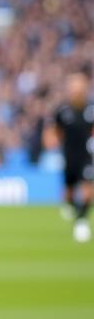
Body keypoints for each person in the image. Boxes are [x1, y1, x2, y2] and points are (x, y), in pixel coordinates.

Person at [48, 72, 94, 243]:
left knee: (88, 190)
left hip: (86, 157)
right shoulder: (62, 111)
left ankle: (81, 222)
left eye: (79, 87)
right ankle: (75, 211)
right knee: (68, 194)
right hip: (68, 157)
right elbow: (55, 131)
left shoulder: (91, 109)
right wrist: (52, 141)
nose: (75, 90)